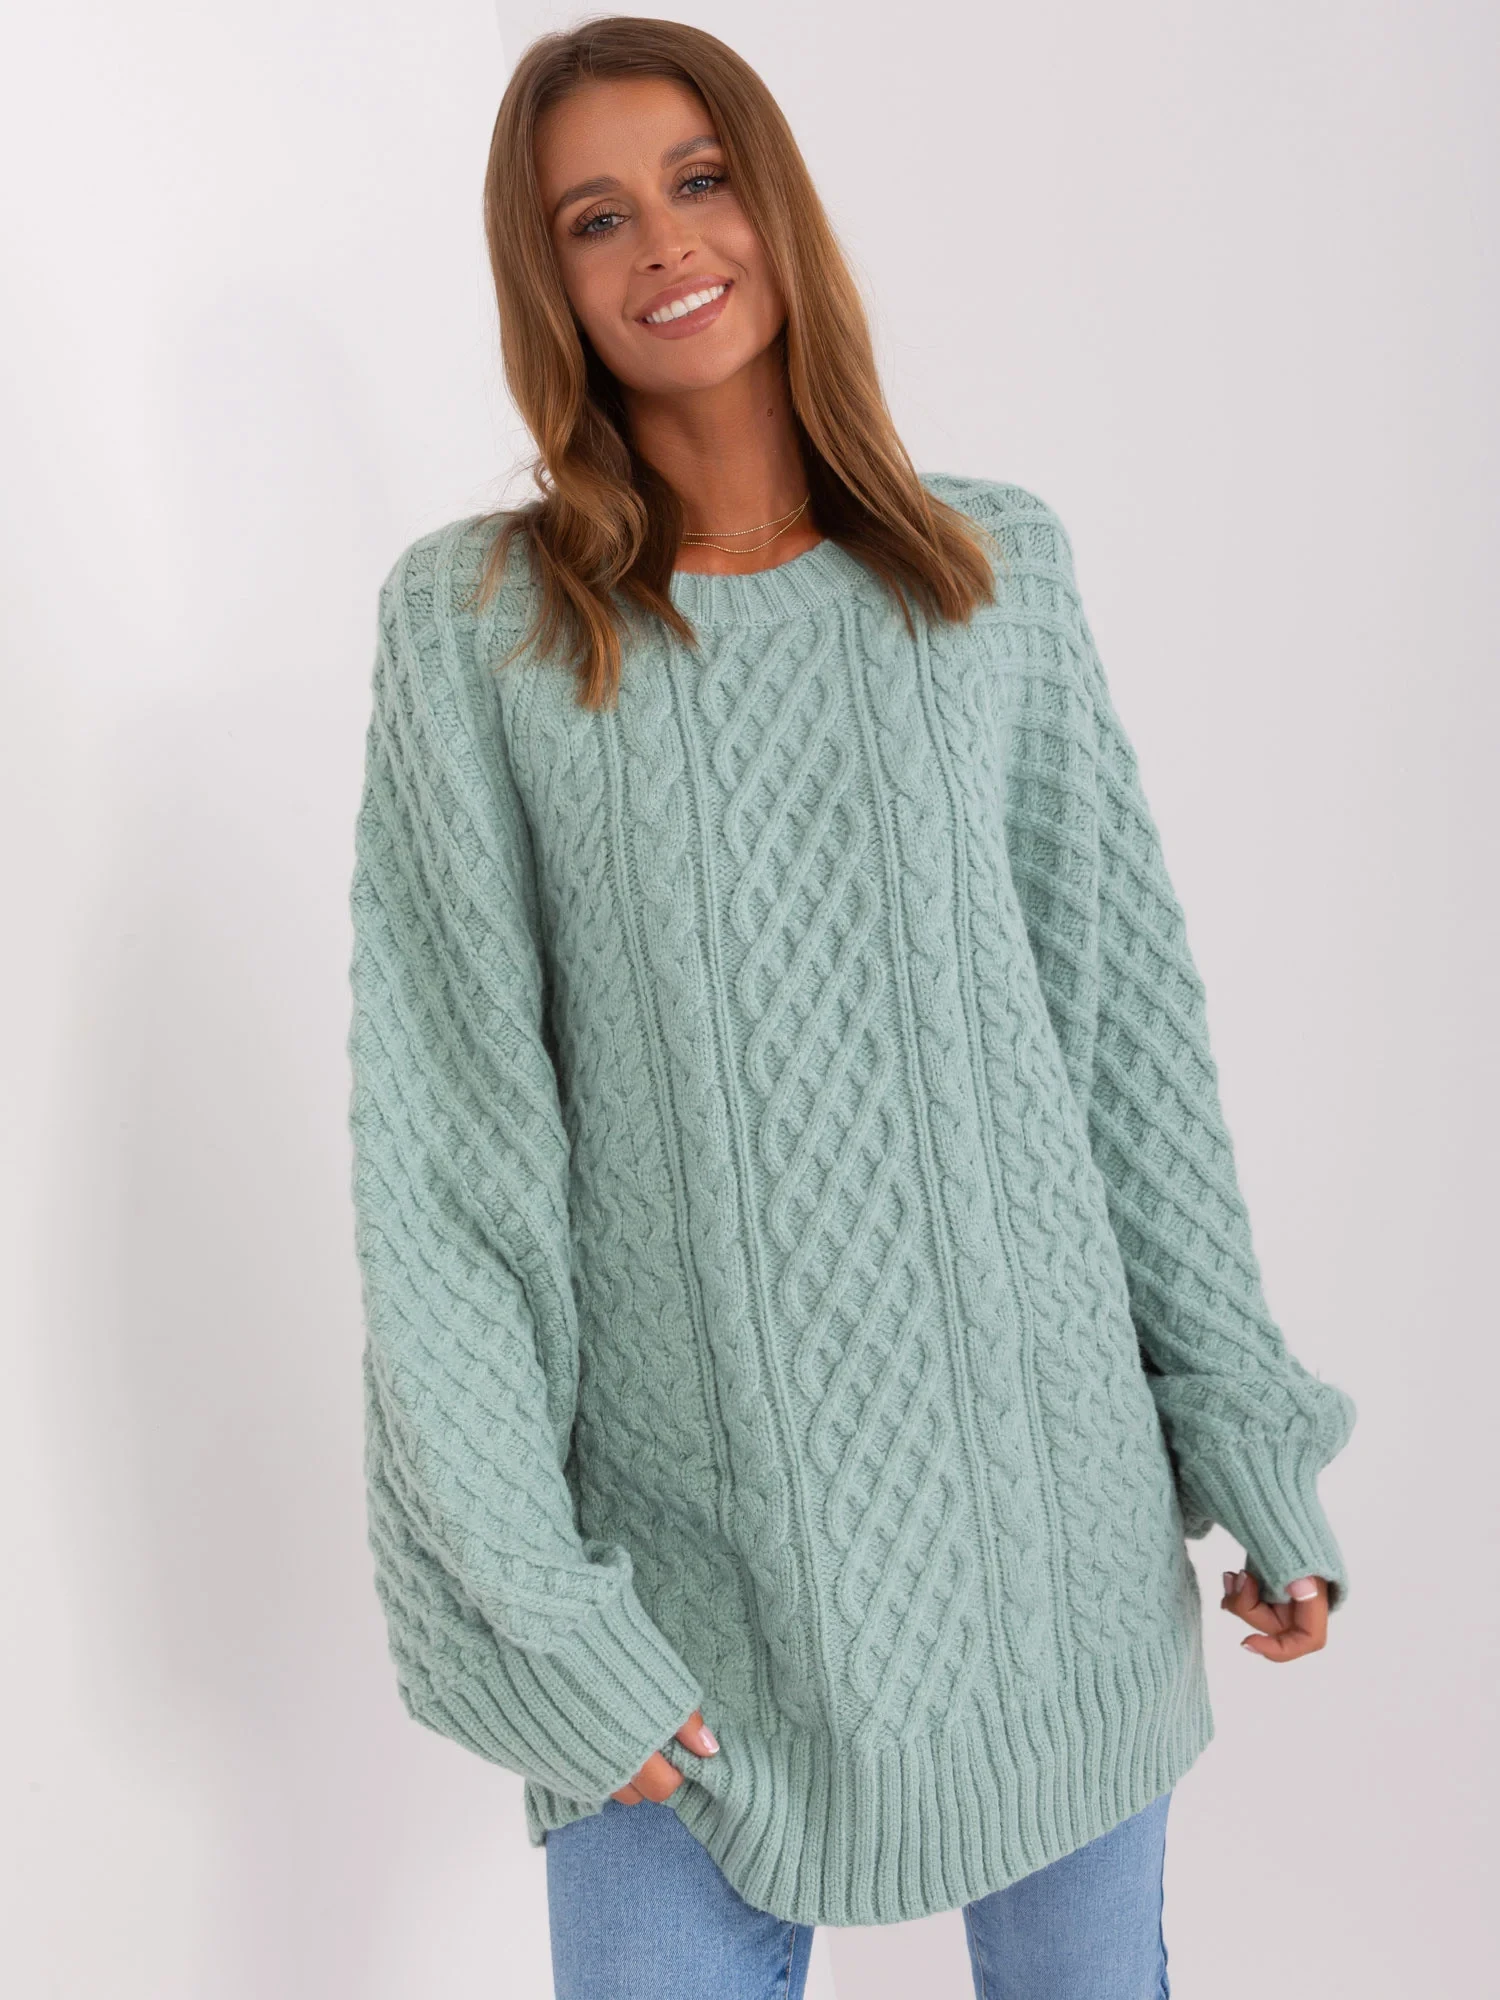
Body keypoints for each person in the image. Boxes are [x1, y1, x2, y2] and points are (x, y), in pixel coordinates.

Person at [344, 17, 1358, 1998]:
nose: (663, 241)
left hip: (1050, 1539)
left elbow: (1123, 1046)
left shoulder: (992, 573)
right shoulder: (481, 627)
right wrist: (543, 1615)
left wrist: (1244, 1437)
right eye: (594, 217)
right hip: (682, 1593)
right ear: (546, 280)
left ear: (777, 203)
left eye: (699, 179)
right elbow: (450, 1163)